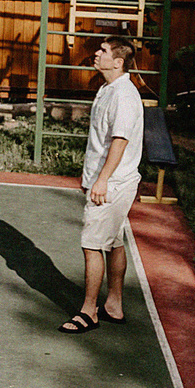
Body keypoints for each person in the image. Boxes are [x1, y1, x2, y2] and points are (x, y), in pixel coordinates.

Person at [62, 34, 144, 334]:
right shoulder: (109, 88)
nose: (97, 54)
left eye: (103, 50)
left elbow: (120, 141)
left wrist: (102, 181)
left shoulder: (123, 95)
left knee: (92, 243)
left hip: (114, 183)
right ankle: (114, 304)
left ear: (118, 62)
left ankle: (89, 311)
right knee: (114, 241)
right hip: (110, 180)